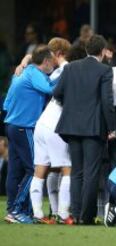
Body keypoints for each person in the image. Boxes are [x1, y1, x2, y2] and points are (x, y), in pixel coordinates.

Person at [53, 34, 116, 225]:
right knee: (91, 172)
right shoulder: (105, 70)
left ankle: (76, 213)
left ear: (87, 49)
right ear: (103, 51)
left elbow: (57, 93)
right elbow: (107, 101)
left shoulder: (70, 67)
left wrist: (72, 108)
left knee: (76, 172)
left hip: (71, 126)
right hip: (93, 127)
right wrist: (111, 127)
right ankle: (85, 217)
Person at [3, 45, 56, 224]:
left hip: (12, 124)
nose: (54, 66)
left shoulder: (21, 72)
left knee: (15, 170)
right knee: (34, 169)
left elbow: (6, 103)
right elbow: (50, 89)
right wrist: (66, 77)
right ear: (47, 61)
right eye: (53, 63)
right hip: (23, 127)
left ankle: (13, 209)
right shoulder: (34, 74)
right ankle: (17, 210)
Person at [28, 38, 73, 225]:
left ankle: (38, 214)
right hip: (56, 124)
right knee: (67, 169)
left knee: (40, 169)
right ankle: (63, 214)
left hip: (42, 124)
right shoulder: (69, 69)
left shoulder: (53, 73)